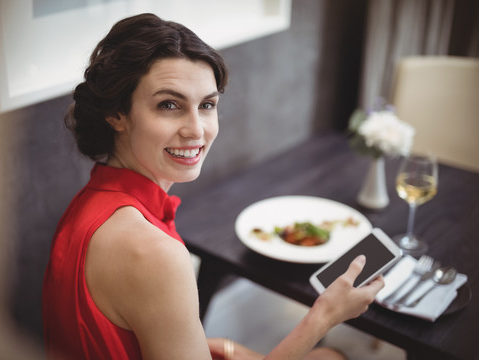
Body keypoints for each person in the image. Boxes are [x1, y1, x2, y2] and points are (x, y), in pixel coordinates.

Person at [42, 13, 385, 360]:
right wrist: (325, 315)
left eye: (206, 105)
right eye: (169, 105)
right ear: (117, 114)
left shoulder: (88, 206)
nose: (196, 129)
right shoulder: (153, 253)